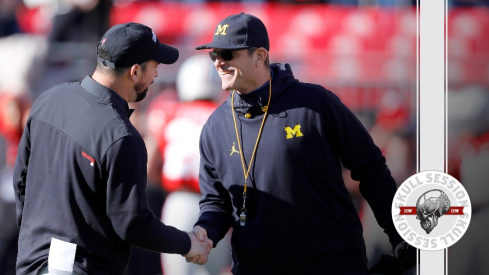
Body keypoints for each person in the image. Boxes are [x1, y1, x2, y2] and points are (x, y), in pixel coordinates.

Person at [187, 13, 416, 274]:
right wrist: (204, 231)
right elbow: (216, 203)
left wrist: (400, 235)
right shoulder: (215, 127)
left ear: (260, 56)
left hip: (331, 265)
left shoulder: (316, 104)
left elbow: (371, 168)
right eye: (213, 55)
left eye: (228, 55)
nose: (218, 62)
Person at [13, 22, 211, 275]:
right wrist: (187, 243)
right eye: (155, 67)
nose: (157, 75)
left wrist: (34, 239)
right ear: (135, 72)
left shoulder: (48, 99)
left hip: (31, 261)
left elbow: (21, 182)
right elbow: (132, 224)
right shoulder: (121, 137)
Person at [144, 53, 232, 275]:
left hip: (179, 201)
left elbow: (147, 166)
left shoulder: (168, 112)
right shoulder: (226, 117)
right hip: (218, 209)